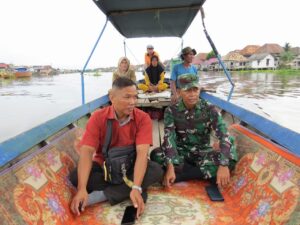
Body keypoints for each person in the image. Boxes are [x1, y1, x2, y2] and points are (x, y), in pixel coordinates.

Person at [70, 77, 163, 218]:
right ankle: (129, 190)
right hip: (106, 168)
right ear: (112, 97)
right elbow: (87, 151)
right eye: (127, 97)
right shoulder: (97, 117)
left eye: (135, 97)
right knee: (75, 176)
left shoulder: (143, 118)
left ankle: (104, 195)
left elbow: (142, 153)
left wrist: (137, 186)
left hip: (131, 166)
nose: (133, 102)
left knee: (155, 170)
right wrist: (81, 188)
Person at [151, 74, 237, 189]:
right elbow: (169, 138)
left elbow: (224, 135)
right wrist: (171, 166)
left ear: (199, 89)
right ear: (179, 91)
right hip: (180, 154)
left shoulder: (209, 109)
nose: (192, 95)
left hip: (203, 153)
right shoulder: (171, 111)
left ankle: (183, 175)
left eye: (195, 90)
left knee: (230, 156)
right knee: (155, 154)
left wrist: (223, 164)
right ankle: (202, 173)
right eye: (187, 90)